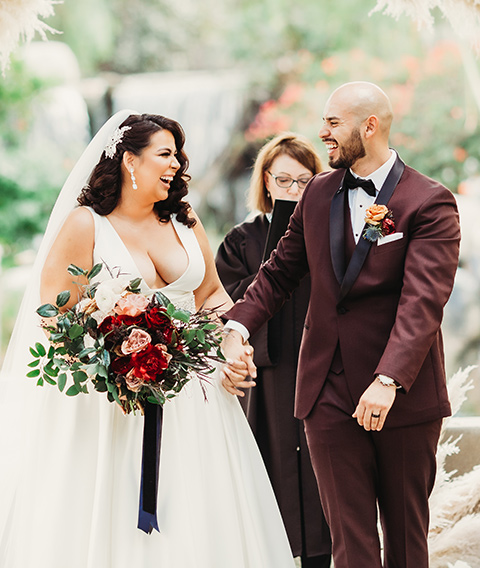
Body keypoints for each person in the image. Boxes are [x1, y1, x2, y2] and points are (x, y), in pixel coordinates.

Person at [0, 111, 297, 568]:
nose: (176, 163)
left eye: (178, 154)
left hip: (195, 398)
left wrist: (234, 344)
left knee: (200, 514)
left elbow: (211, 295)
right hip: (113, 404)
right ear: (129, 161)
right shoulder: (86, 225)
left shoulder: (183, 218)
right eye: (164, 154)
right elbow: (55, 312)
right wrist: (112, 351)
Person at [222, 82, 461, 568]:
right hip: (325, 394)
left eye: (333, 123)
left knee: (405, 542)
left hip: (402, 396)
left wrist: (388, 379)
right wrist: (236, 327)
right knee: (349, 545)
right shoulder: (317, 194)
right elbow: (278, 272)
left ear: (368, 126)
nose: (322, 133)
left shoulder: (429, 202)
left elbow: (422, 302)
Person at [215, 133, 331, 568]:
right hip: (266, 375)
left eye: (305, 182)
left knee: (322, 478)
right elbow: (226, 303)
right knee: (269, 472)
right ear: (266, 181)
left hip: (318, 368)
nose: (294, 191)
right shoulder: (242, 240)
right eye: (284, 180)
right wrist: (276, 258)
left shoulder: (328, 235)